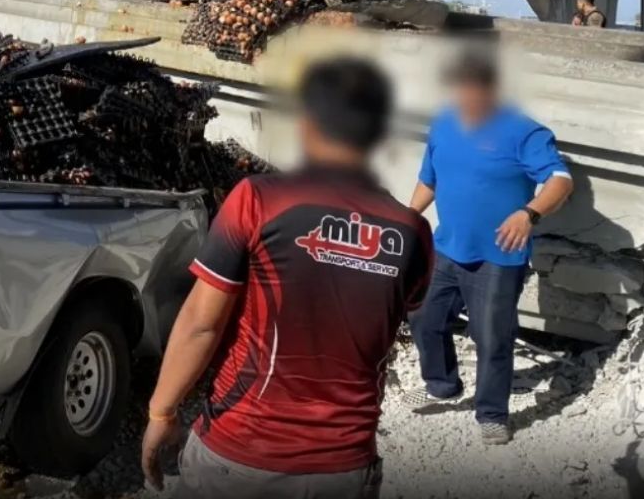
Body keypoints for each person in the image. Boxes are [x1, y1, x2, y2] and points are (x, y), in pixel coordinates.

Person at [140, 57, 434, 499]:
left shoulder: (257, 200)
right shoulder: (412, 232)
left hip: (237, 453)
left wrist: (161, 414)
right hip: (342, 468)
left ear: (307, 125)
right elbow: (391, 317)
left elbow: (202, 323)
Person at [406, 51, 573, 444]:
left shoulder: (526, 132)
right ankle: (441, 384)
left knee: (492, 336)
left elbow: (561, 181)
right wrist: (407, 218)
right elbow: (429, 180)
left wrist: (528, 214)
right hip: (445, 248)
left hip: (499, 256)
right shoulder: (444, 123)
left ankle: (492, 413)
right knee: (423, 318)